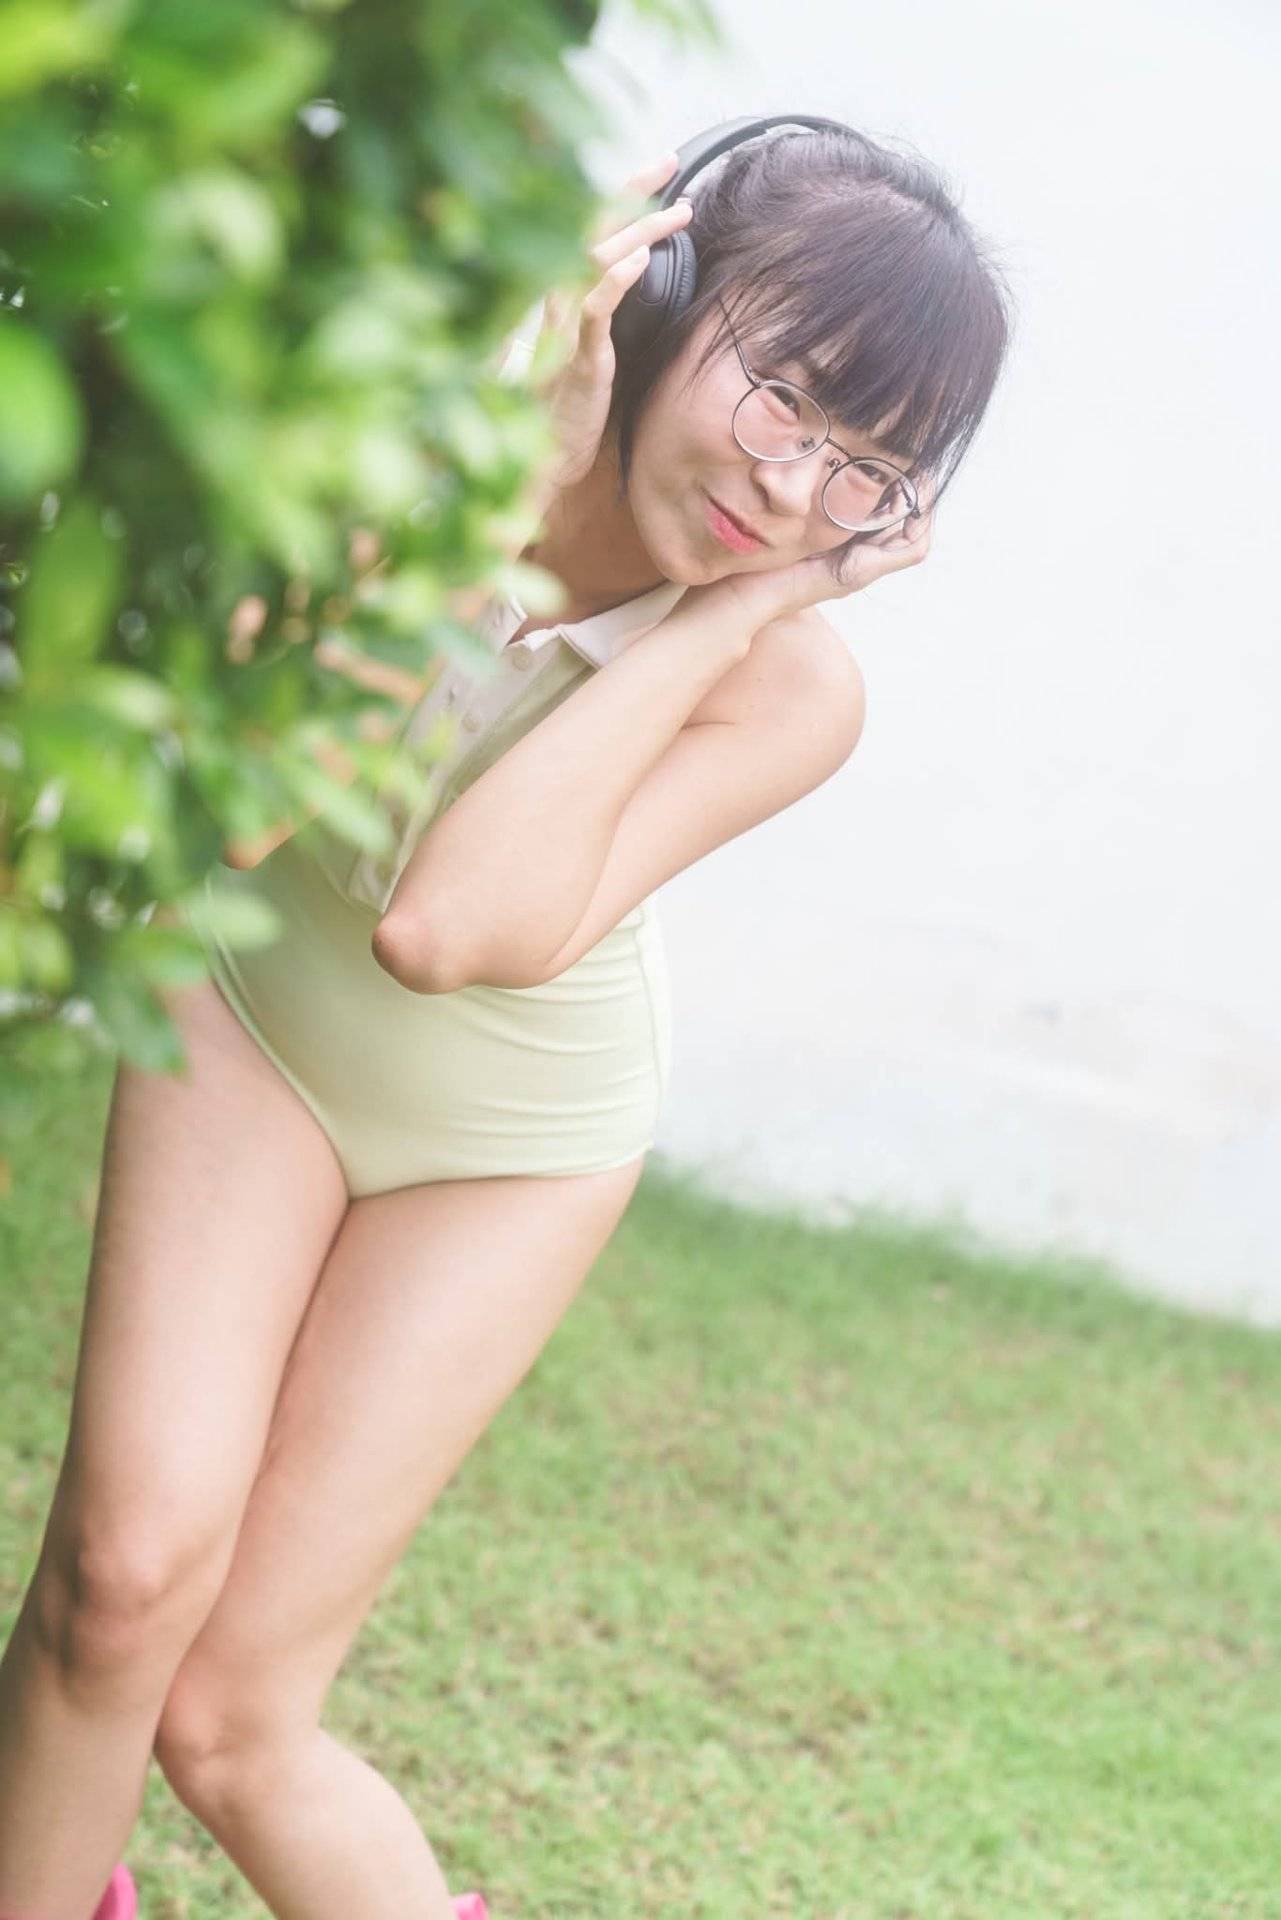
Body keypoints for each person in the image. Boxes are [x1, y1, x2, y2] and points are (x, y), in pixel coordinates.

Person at [0, 120, 1011, 1919]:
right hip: (251, 1015)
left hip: (509, 1143)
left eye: (862, 471)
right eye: (783, 398)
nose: (790, 491)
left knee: (233, 1720)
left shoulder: (787, 687)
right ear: (658, 295)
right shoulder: (412, 456)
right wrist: (486, 506)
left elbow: (452, 926)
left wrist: (721, 620)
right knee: (115, 1588)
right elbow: (236, 822)